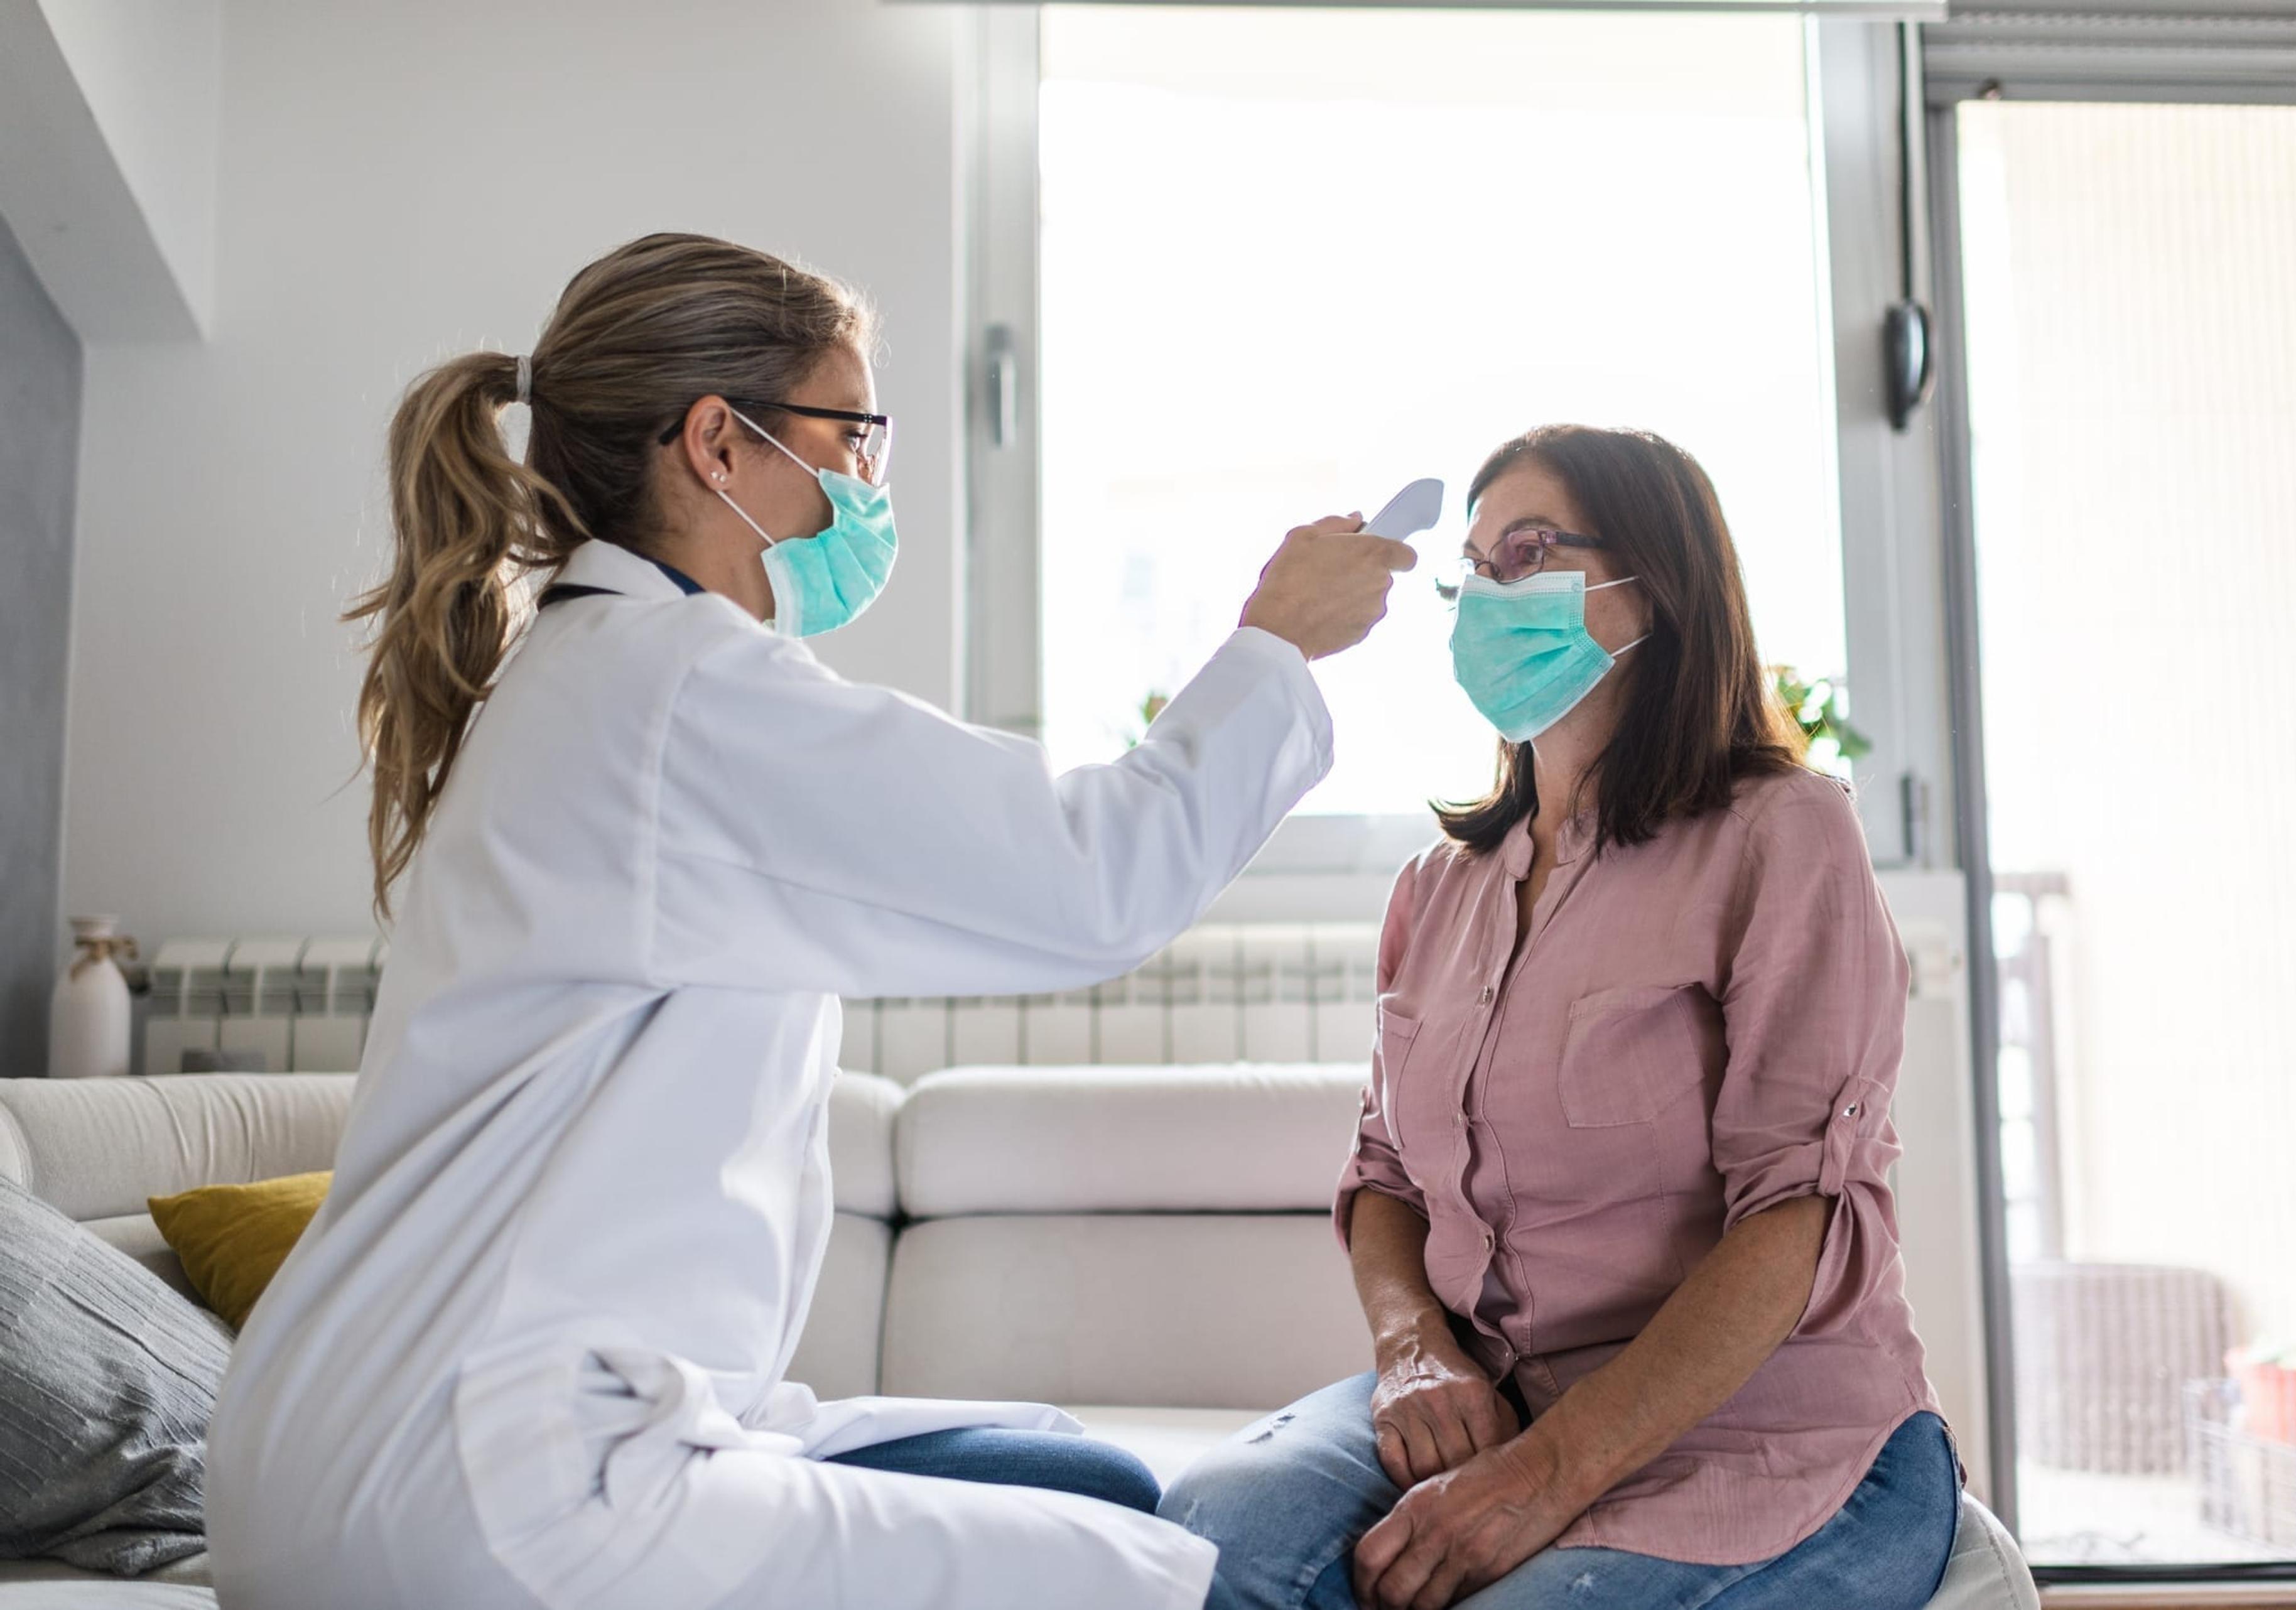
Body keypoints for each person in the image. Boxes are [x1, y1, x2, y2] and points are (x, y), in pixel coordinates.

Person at [205, 232, 1414, 1610]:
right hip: (483, 1490)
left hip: (383, 1442)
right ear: (720, 444)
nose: (871, 484)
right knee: (1188, 1580)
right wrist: (1275, 640)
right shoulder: (677, 695)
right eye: (858, 433)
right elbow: (1095, 882)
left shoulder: (607, 673)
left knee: (1088, 1485)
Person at [1161, 426, 1958, 1610]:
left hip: (1762, 1434)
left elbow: (1797, 1217)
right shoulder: (1440, 889)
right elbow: (1383, 1175)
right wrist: (1413, 1351)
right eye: (1472, 570)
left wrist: (1543, 1481)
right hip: (1498, 1398)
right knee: (1203, 1543)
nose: (1488, 596)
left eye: (1526, 553)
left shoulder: (1783, 835)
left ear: (1657, 585)